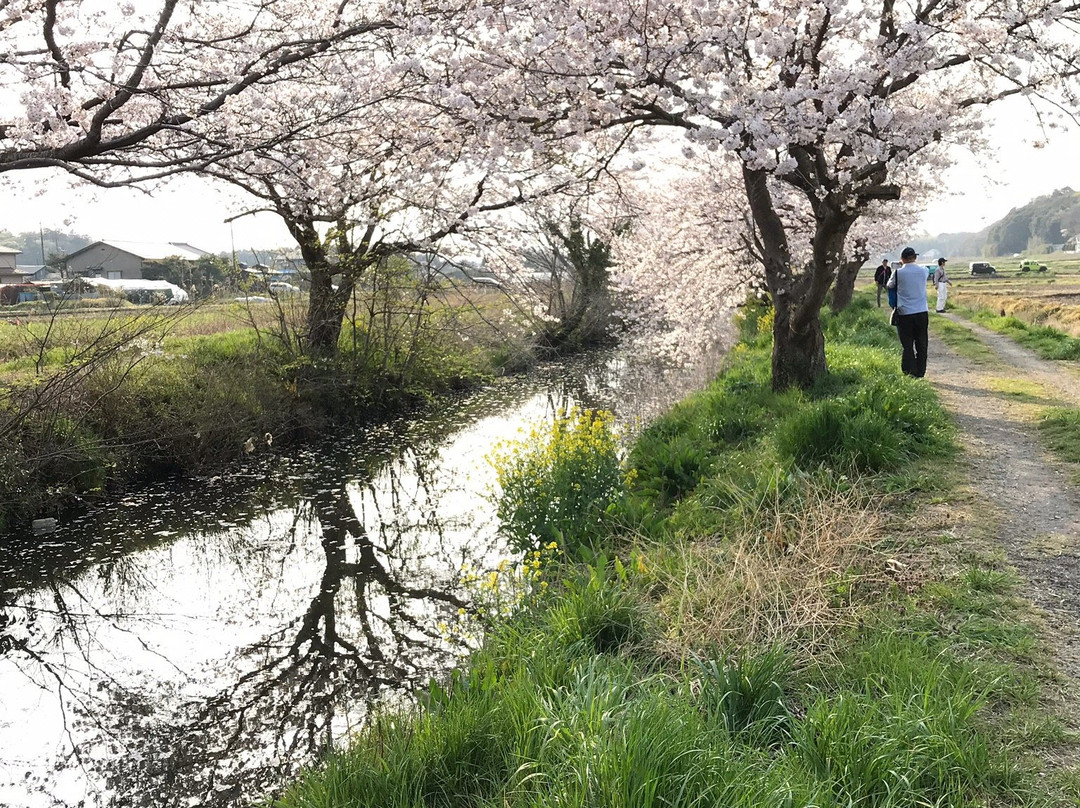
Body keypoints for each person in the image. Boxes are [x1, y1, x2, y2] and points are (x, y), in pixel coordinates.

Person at [887, 246, 929, 377]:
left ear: (902, 259)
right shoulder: (924, 271)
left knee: (907, 344)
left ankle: (910, 372)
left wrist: (899, 267)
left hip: (905, 313)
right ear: (915, 258)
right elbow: (921, 271)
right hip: (922, 312)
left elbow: (889, 285)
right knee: (922, 343)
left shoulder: (898, 273)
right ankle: (921, 372)